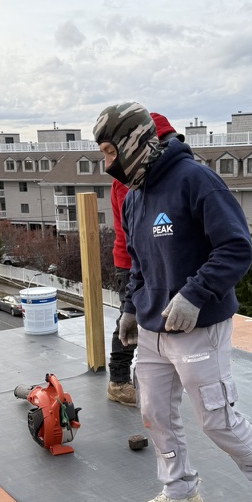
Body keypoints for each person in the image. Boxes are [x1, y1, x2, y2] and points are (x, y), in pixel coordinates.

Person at [93, 102, 252, 502]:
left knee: (217, 418)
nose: (107, 164)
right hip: (153, 330)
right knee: (156, 415)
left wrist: (194, 295)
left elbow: (236, 247)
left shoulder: (195, 180)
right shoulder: (134, 199)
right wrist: (130, 309)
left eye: (110, 151)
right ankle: (180, 492)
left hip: (199, 326)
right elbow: (139, 264)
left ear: (133, 143)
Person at [106, 113, 185, 406]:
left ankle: (150, 377)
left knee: (146, 316)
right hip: (131, 260)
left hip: (144, 256)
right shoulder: (129, 179)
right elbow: (140, 227)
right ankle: (118, 380)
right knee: (131, 316)